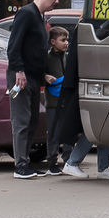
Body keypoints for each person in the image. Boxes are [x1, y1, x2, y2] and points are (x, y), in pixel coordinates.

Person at [6, 0, 60, 179]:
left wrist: (42, 74)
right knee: (21, 121)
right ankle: (20, 166)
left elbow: (35, 51)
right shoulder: (26, 14)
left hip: (33, 78)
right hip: (20, 77)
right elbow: (14, 46)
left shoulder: (39, 17)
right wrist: (19, 70)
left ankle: (25, 162)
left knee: (32, 121)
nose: (56, 1)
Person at [54, 25, 109, 180]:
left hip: (96, 82)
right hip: (92, 83)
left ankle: (102, 167)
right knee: (98, 127)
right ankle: (73, 162)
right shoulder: (91, 26)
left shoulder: (91, 24)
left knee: (104, 125)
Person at [43, 26, 69, 175]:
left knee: (67, 131)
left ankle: (68, 160)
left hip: (67, 101)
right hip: (53, 102)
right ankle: (52, 162)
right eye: (63, 40)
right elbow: (41, 75)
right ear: (53, 42)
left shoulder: (67, 57)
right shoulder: (47, 58)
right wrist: (45, 78)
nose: (66, 43)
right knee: (53, 132)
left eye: (67, 40)